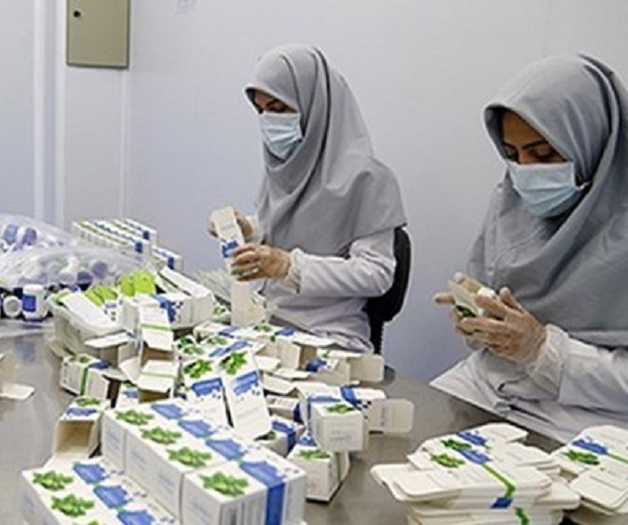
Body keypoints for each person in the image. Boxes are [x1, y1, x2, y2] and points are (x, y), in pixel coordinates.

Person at [432, 54, 628, 443]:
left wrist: (544, 351)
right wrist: (481, 322)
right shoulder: (511, 201)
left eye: (544, 154)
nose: (526, 171)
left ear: (593, 141)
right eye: (512, 154)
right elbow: (493, 316)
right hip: (486, 387)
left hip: (584, 420)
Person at [212, 44, 406, 353]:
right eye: (261, 111)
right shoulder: (288, 162)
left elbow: (377, 274)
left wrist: (290, 266)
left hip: (326, 332)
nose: (268, 121)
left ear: (314, 105)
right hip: (268, 317)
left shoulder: (368, 177)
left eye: (278, 109)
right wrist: (250, 229)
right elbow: (298, 225)